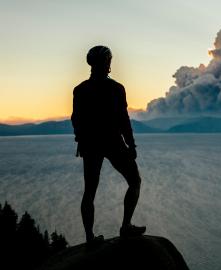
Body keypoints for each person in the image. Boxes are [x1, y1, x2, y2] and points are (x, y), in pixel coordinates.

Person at [71, 45, 146, 245]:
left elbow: (76, 119)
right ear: (108, 62)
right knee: (135, 181)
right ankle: (126, 226)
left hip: (90, 145)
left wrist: (81, 139)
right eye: (108, 60)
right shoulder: (116, 88)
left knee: (89, 191)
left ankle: (89, 238)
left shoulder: (80, 90)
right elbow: (123, 119)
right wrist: (132, 145)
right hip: (113, 142)